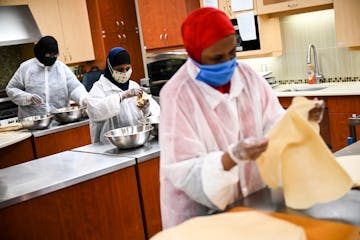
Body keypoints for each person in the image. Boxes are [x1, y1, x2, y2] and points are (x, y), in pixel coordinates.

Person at [159, 7, 324, 229]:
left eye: (232, 54)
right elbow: (185, 171)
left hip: (253, 202)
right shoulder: (177, 94)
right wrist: (231, 157)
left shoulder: (248, 77)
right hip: (202, 217)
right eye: (217, 58)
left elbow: (274, 123)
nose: (228, 63)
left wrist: (300, 120)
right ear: (195, 56)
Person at [86, 47, 160, 144]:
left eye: (127, 68)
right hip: (108, 147)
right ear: (110, 67)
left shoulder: (133, 86)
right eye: (120, 69)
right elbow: (94, 111)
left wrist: (146, 109)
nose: (124, 73)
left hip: (136, 142)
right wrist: (121, 96)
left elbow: (156, 114)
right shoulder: (99, 89)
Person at [6, 36, 88, 119]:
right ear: (40, 53)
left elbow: (74, 87)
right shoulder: (26, 68)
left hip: (60, 120)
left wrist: (83, 98)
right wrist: (27, 98)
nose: (52, 58)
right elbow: (11, 89)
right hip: (33, 122)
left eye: (55, 55)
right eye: (49, 55)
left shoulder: (61, 68)